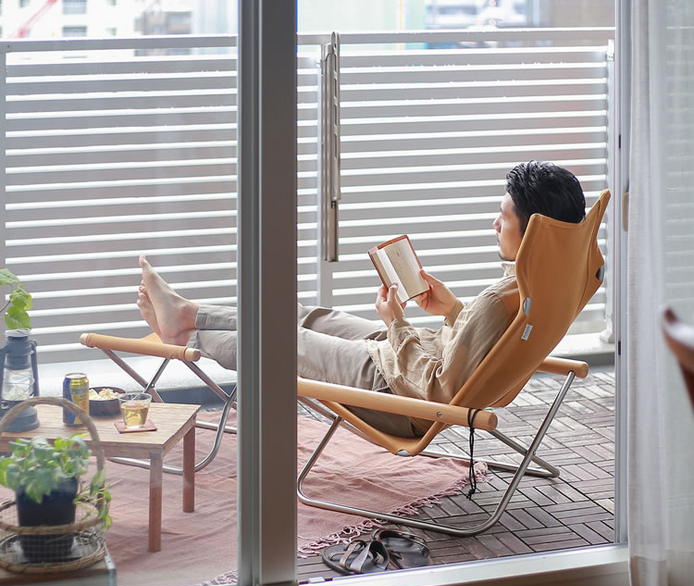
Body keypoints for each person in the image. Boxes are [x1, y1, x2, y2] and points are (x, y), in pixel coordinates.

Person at [138, 160, 586, 437]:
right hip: (411, 360)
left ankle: (186, 331)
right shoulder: (544, 284)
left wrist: (396, 323)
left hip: (400, 396)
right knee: (307, 317)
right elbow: (483, 350)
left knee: (283, 340)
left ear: (535, 229)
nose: (494, 224)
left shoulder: (501, 298)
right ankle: (187, 313)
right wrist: (451, 309)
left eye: (503, 216)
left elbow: (439, 390)